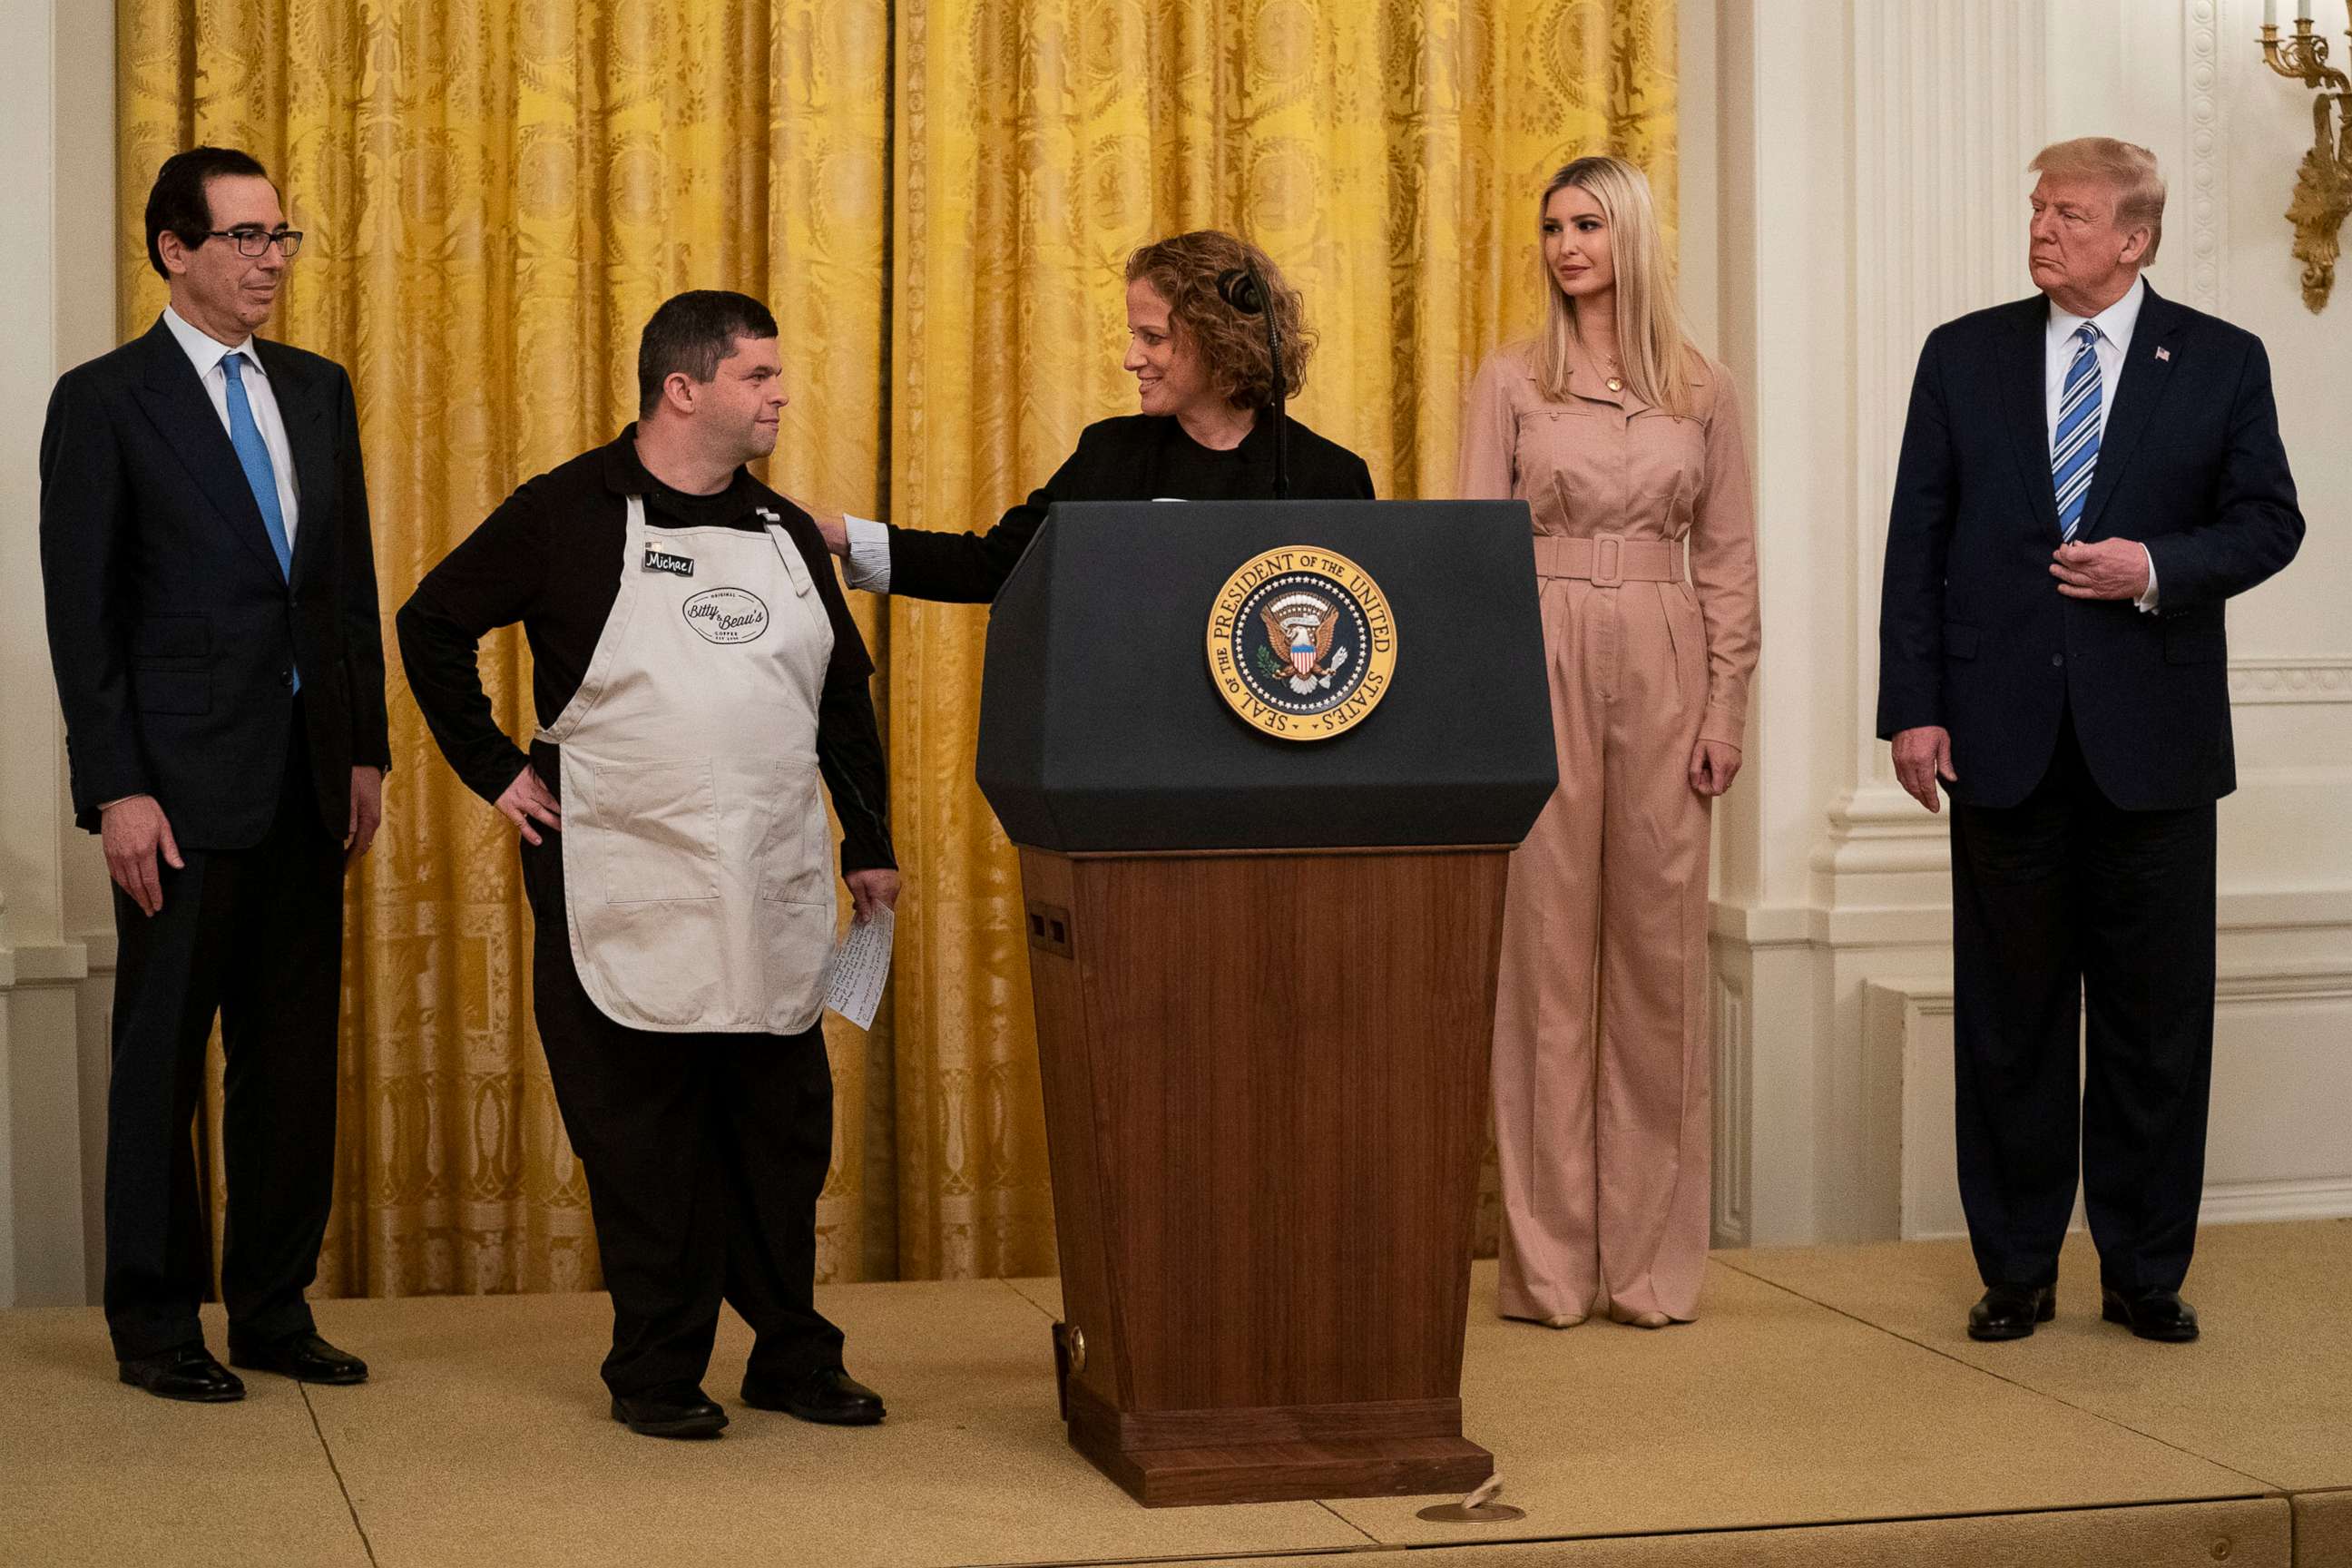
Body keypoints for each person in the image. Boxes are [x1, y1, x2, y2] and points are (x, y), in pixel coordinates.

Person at [397, 290, 897, 1438]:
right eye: (759, 377)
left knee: (780, 1132)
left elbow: (842, 704)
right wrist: (492, 769)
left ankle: (793, 1357)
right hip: (617, 870)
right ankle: (658, 1370)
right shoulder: (565, 511)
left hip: (767, 872)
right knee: (644, 1135)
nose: (780, 395)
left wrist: (869, 845)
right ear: (684, 389)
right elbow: (430, 624)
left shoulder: (784, 535)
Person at [1878, 139, 2302, 1345]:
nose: (2042, 227)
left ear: (2134, 238)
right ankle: (2014, 1270)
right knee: (2008, 1022)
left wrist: (2157, 566)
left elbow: (2268, 524)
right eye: (2037, 208)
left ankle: (2142, 1273)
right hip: (1999, 738)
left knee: (2154, 1025)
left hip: (2155, 748)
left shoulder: (2220, 362)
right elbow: (1918, 542)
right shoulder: (1963, 357)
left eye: (2067, 213)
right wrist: (1913, 706)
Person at [37, 147, 388, 1401]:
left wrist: (364, 749)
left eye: (281, 236)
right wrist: (116, 785)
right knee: (163, 1061)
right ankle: (155, 1323)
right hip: (176, 792)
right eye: (243, 238)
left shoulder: (317, 388)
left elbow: (343, 586)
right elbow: (84, 619)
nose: (269, 261)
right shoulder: (105, 399)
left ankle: (274, 1309)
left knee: (292, 1063)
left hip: (306, 781)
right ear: (174, 251)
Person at [1459, 155, 1759, 1331]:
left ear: (1630, 236)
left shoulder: (1702, 388)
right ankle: (1546, 1271)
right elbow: (1472, 556)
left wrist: (1727, 706)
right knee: (1543, 968)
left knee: (1658, 966)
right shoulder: (1510, 381)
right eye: (1551, 227)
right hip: (1537, 655)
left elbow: (1729, 560)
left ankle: (1650, 1271)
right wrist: (1485, 715)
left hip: (1668, 659)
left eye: (1587, 223)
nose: (1566, 245)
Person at [810, 230, 1375, 595]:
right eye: (1135, 335)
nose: (1133, 359)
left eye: (1153, 337)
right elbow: (992, 565)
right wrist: (836, 535)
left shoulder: (1330, 476)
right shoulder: (1109, 454)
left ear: (1220, 340)